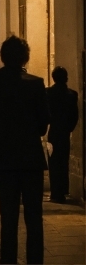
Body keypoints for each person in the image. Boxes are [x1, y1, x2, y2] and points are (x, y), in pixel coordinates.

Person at [0, 36, 49, 265]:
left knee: (8, 217)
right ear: (24, 57)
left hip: (3, 158)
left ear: (2, 57)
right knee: (34, 217)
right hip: (30, 158)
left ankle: (7, 260)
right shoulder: (36, 83)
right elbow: (42, 124)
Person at [46, 66, 78, 203]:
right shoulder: (72, 94)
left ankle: (55, 192)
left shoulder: (48, 93)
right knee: (64, 162)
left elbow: (45, 114)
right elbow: (74, 116)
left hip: (54, 132)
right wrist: (69, 128)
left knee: (53, 163)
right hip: (64, 132)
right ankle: (63, 190)